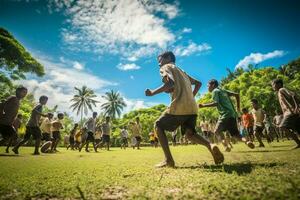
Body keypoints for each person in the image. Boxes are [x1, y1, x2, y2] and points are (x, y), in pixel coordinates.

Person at [145, 51, 224, 168]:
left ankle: (169, 160)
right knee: (190, 134)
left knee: (158, 125)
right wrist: (190, 96)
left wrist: (152, 93)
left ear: (168, 58)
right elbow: (198, 83)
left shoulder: (166, 67)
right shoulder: (182, 71)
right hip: (192, 107)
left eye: (159, 59)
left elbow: (170, 83)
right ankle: (210, 145)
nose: (158, 63)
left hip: (179, 106)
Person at [199, 79, 254, 152]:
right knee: (235, 134)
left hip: (225, 115)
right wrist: (238, 108)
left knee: (217, 131)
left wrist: (203, 105)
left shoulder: (215, 91)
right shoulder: (223, 90)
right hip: (232, 115)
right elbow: (237, 95)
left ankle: (226, 146)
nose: (207, 87)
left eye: (208, 86)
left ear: (213, 85)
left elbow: (216, 103)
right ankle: (247, 142)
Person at [272, 79, 300, 148]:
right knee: (298, 129)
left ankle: (298, 143)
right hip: (291, 113)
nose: (272, 86)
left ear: (279, 84)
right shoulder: (279, 92)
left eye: (273, 84)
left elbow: (293, 95)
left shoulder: (282, 89)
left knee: (282, 127)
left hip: (291, 112)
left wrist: (296, 106)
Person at [0, 86, 27, 151]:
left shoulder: (17, 100)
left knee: (11, 136)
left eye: (26, 93)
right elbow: (1, 104)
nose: (25, 94)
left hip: (8, 123)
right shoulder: (13, 98)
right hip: (3, 121)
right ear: (17, 91)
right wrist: (1, 114)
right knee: (12, 135)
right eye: (23, 92)